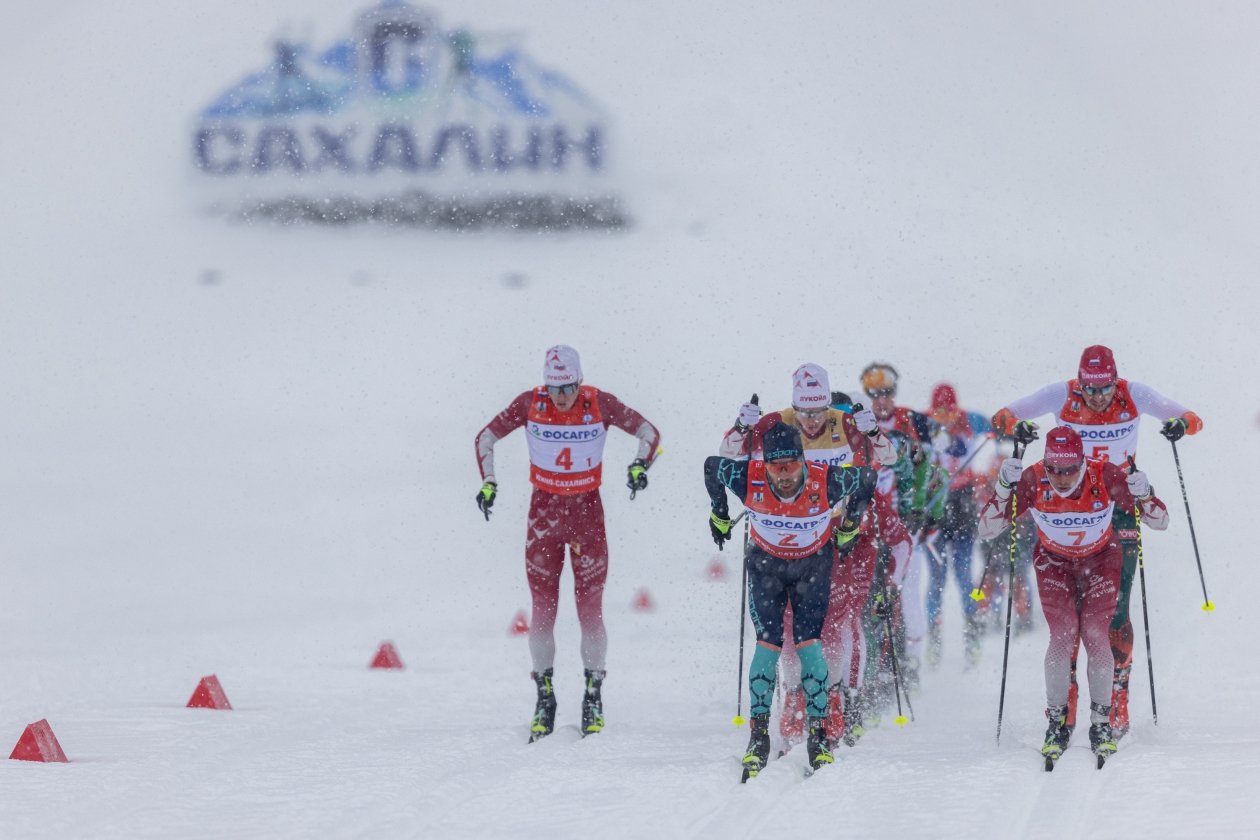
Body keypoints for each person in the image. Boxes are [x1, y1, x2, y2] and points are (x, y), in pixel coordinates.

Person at [991, 344, 1202, 738]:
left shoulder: (1134, 393)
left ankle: (1117, 692)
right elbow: (1003, 416)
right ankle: (1066, 700)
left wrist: (1181, 426)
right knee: (1067, 619)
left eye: (1104, 388)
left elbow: (1192, 418)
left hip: (1115, 496)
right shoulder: (1061, 393)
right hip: (1067, 495)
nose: (1097, 396)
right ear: (1079, 382)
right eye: (1089, 388)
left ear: (1115, 380)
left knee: (1115, 609)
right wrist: (1012, 427)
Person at [474, 345, 661, 742]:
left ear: (580, 380)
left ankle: (593, 695)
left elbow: (650, 432)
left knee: (589, 610)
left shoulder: (599, 402)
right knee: (543, 609)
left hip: (587, 518)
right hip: (543, 518)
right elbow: (485, 438)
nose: (561, 397)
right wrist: (488, 483)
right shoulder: (530, 402)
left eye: (568, 387)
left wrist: (640, 464)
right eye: (554, 387)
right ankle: (545, 697)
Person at [717, 364, 902, 746]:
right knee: (784, 628)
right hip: (789, 532)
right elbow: (728, 455)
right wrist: (740, 426)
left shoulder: (845, 423)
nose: (813, 422)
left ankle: (836, 697)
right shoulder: (776, 424)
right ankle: (793, 696)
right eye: (806, 413)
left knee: (832, 623)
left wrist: (871, 431)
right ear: (794, 406)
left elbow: (889, 457)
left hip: (837, 534)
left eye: (819, 413)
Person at [977, 426, 1168, 763]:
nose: (1061, 478)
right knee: (1063, 636)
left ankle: (1101, 723)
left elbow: (1159, 521)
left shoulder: (1105, 474)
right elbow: (988, 529)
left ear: (1082, 461)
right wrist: (1004, 489)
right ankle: (1056, 722)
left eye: (1068, 470)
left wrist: (1146, 494)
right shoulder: (1034, 479)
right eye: (1054, 470)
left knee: (1096, 634)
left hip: (1102, 559)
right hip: (1054, 564)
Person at [705, 422, 877, 778]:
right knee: (767, 645)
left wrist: (850, 525)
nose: (784, 476)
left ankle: (817, 736)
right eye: (776, 466)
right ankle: (757, 739)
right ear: (764, 463)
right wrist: (718, 513)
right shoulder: (747, 475)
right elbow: (711, 466)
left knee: (809, 643)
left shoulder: (825, 478)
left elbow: (866, 478)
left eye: (791, 466)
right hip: (766, 567)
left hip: (811, 566)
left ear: (802, 460)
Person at [922, 383, 994, 667]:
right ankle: (933, 637)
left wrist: (1001, 429)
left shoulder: (970, 419)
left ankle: (972, 633)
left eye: (948, 411)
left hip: (962, 503)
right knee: (937, 577)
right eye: (939, 412)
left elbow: (996, 426)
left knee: (964, 574)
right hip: (935, 503)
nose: (944, 418)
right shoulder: (923, 423)